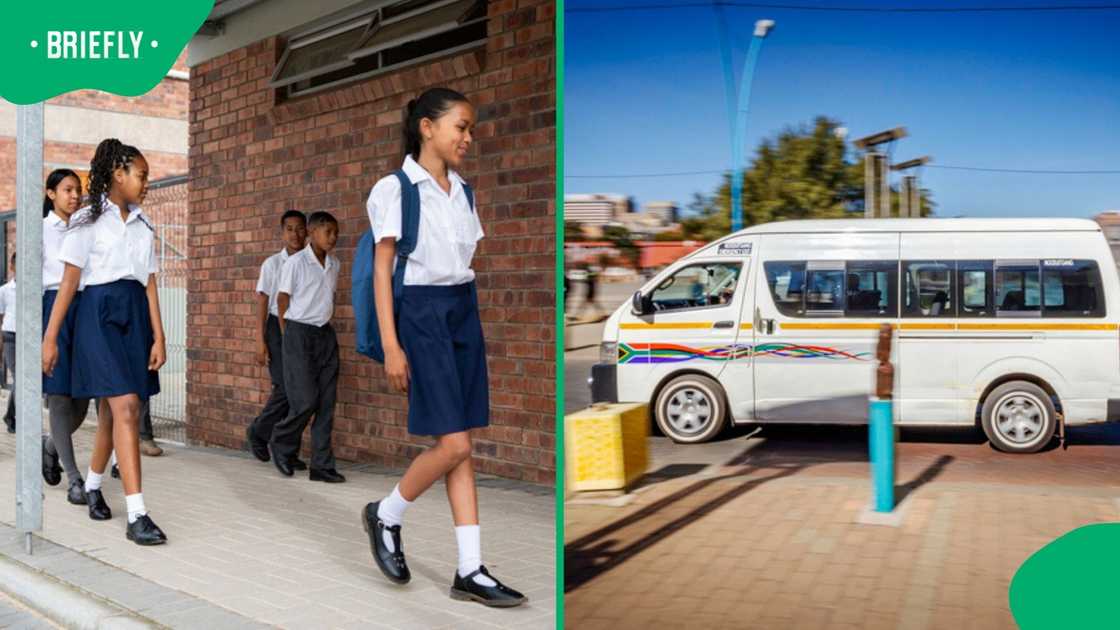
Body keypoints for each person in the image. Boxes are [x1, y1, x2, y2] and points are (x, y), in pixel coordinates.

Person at [361, 87, 526, 607]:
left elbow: (461, 261)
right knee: (454, 444)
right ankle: (385, 514)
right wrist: (391, 344)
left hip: (462, 309)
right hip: (421, 314)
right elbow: (381, 271)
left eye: (471, 128)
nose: (469, 138)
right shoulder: (393, 189)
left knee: (462, 443)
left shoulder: (465, 191)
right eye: (461, 126)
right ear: (427, 127)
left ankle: (470, 569)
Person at [43, 138, 167, 545]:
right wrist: (50, 339)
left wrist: (159, 335)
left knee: (115, 412)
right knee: (126, 406)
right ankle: (137, 515)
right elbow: (69, 282)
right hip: (97, 314)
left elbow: (149, 283)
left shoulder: (144, 223)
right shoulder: (86, 221)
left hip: (134, 317)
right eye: (142, 175)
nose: (147, 183)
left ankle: (94, 485)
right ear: (119, 174)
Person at [268, 211, 344, 483]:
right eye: (328, 232)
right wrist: (288, 336)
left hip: (325, 336)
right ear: (312, 233)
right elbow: (282, 300)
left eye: (336, 233)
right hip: (298, 333)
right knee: (305, 400)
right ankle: (280, 442)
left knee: (326, 403)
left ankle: (321, 466)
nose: (333, 238)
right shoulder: (296, 263)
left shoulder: (334, 264)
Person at [39, 169, 94, 504]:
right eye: (67, 190)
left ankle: (49, 445)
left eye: (78, 190)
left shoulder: (87, 227)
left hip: (85, 308)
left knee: (82, 400)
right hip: (53, 308)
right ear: (51, 194)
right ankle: (75, 478)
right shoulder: (41, 230)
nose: (75, 196)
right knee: (59, 397)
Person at [246, 210, 308, 470]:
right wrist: (260, 341)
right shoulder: (272, 264)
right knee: (285, 388)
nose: (295, 234)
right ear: (282, 233)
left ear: (307, 231)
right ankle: (259, 432)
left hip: (302, 328)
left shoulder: (311, 262)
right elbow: (262, 301)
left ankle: (286, 449)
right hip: (276, 329)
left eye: (300, 228)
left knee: (300, 393)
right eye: (290, 229)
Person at [0, 254, 16, 433]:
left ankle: (10, 416)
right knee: (20, 379)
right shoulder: (5, 290)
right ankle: (12, 417)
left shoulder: (38, 289)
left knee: (26, 379)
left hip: (33, 338)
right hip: (11, 337)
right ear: (11, 267)